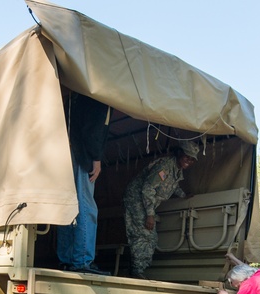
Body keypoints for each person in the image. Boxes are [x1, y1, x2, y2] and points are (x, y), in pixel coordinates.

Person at [122, 141, 199, 278]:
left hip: (145, 202)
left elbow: (171, 186)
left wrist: (184, 195)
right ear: (179, 153)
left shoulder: (176, 169)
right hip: (137, 200)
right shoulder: (164, 167)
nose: (189, 161)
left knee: (147, 235)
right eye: (187, 156)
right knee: (146, 235)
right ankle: (136, 271)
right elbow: (147, 188)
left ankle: (134, 269)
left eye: (192, 159)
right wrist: (150, 215)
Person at [57, 92, 111, 275]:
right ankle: (82, 261)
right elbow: (93, 129)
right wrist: (96, 158)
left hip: (67, 152)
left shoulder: (76, 95)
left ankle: (66, 259)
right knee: (86, 206)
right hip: (83, 155)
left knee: (68, 206)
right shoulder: (99, 96)